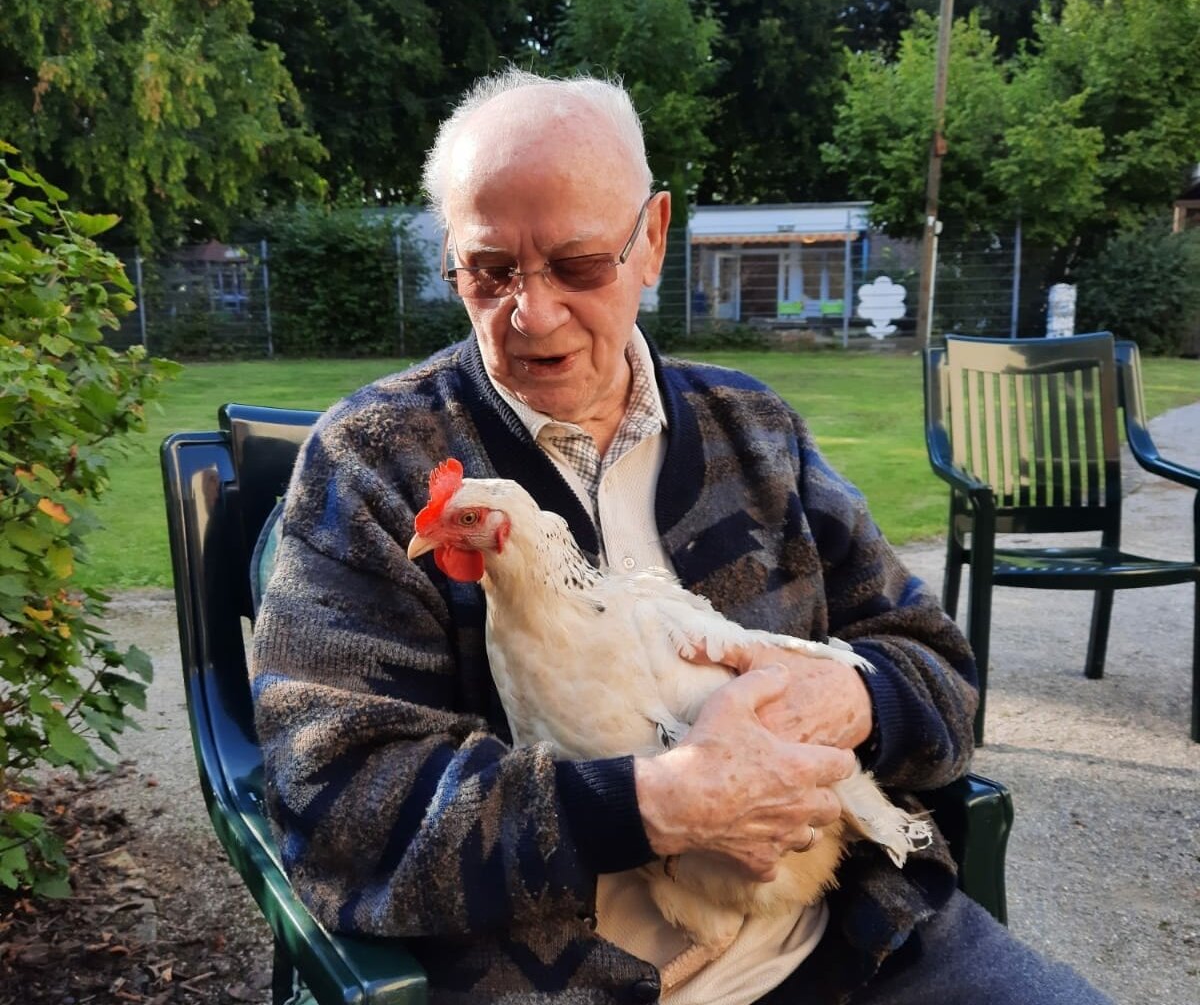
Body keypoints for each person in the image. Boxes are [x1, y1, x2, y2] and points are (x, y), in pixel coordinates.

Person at [250, 68, 1113, 1005]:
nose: (532, 314)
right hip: (563, 983)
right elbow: (334, 799)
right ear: (452, 261)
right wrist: (658, 803)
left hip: (862, 939)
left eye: (580, 266)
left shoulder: (756, 429)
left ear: (652, 240)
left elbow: (941, 675)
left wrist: (847, 696)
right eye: (490, 270)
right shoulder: (373, 464)